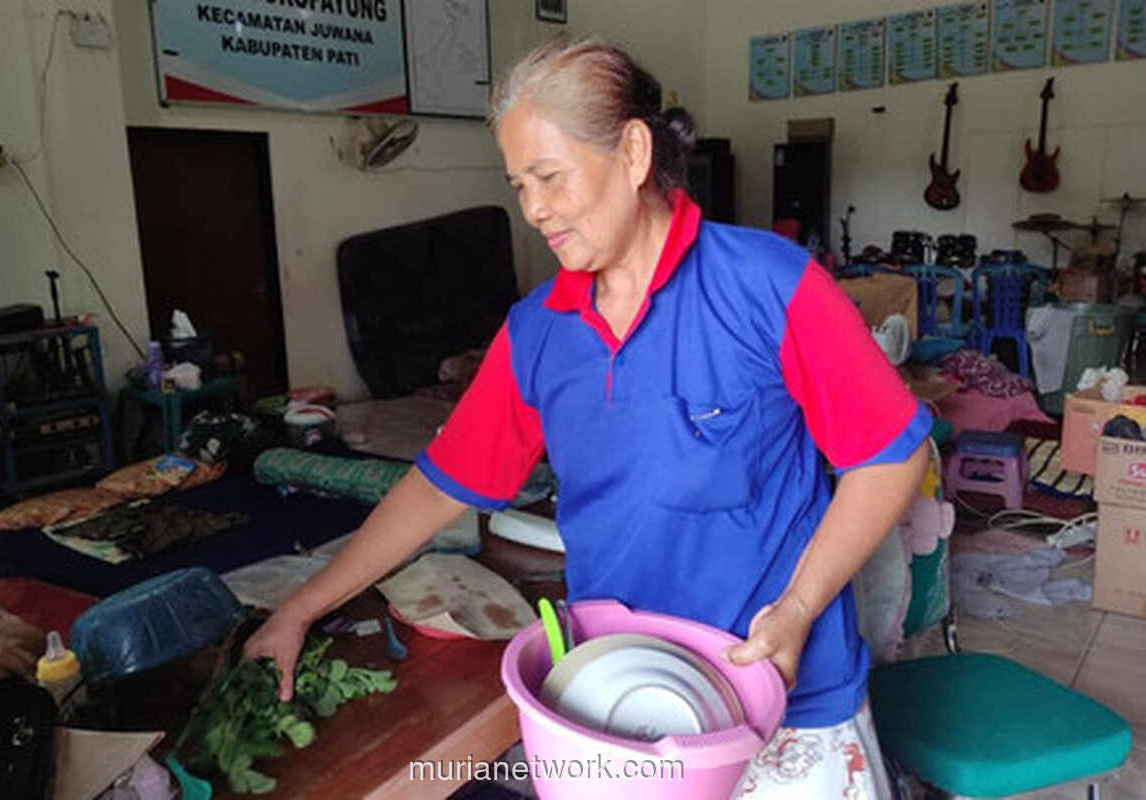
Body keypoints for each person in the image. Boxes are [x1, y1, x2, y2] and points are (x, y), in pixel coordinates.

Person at [246, 36, 929, 798]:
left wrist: (798, 610)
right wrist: (301, 609)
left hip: (782, 703)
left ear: (634, 153)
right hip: (616, 699)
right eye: (518, 185)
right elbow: (441, 486)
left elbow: (890, 455)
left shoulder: (766, 285)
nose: (533, 209)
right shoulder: (538, 332)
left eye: (549, 177)